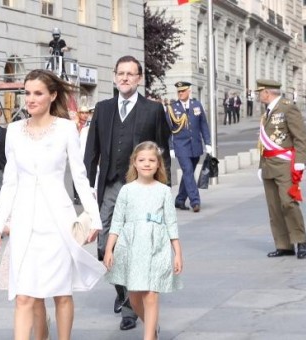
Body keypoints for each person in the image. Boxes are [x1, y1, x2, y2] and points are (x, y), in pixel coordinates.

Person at [0, 69, 105, 340]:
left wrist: (94, 217)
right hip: (24, 222)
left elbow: (79, 175)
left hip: (58, 222)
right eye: (27, 93)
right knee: (23, 295)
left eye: (38, 93)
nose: (30, 99)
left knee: (61, 293)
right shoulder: (14, 131)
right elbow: (10, 182)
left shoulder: (65, 129)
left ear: (52, 96)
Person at [83, 55, 171, 332]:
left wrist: (163, 190)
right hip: (109, 185)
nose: (124, 78)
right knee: (104, 244)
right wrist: (84, 188)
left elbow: (163, 151)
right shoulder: (103, 108)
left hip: (141, 188)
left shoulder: (153, 110)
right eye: (120, 73)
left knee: (136, 247)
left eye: (130, 74)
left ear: (139, 78)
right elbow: (92, 150)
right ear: (114, 76)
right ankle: (123, 293)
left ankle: (131, 309)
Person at [104, 141, 183, 340]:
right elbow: (117, 222)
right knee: (134, 296)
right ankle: (151, 326)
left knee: (151, 294)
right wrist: (109, 249)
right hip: (131, 246)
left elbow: (171, 223)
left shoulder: (163, 191)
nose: (147, 164)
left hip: (157, 245)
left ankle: (149, 337)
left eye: (151, 160)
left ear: (158, 164)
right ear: (134, 163)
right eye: (142, 160)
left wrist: (177, 253)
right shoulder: (127, 190)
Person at [255, 79, 306, 259]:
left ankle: (300, 240)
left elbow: (300, 137)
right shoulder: (267, 112)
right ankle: (283, 244)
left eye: (260, 92)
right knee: (274, 207)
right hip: (268, 164)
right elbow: (264, 142)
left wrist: (300, 161)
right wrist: (260, 166)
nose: (258, 95)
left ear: (267, 93)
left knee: (288, 202)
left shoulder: (287, 108)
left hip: (285, 165)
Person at [167, 81, 212, 212]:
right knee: (187, 171)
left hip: (196, 145)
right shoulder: (172, 108)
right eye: (178, 92)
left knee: (189, 173)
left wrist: (208, 143)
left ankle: (180, 200)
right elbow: (168, 130)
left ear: (188, 91)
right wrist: (171, 147)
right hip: (181, 146)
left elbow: (203, 124)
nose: (180, 93)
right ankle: (195, 201)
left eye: (183, 91)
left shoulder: (196, 105)